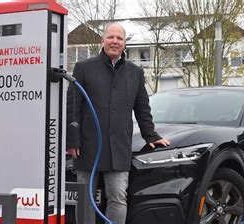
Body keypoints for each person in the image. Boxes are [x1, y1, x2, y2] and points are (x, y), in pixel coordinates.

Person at [66, 22, 170, 224]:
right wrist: (72, 141)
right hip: (88, 147)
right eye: (111, 37)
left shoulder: (135, 73)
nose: (115, 41)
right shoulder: (84, 68)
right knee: (85, 199)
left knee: (118, 197)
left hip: (119, 148)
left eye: (119, 38)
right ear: (103, 40)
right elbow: (72, 108)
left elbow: (142, 109)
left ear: (124, 44)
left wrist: (152, 136)